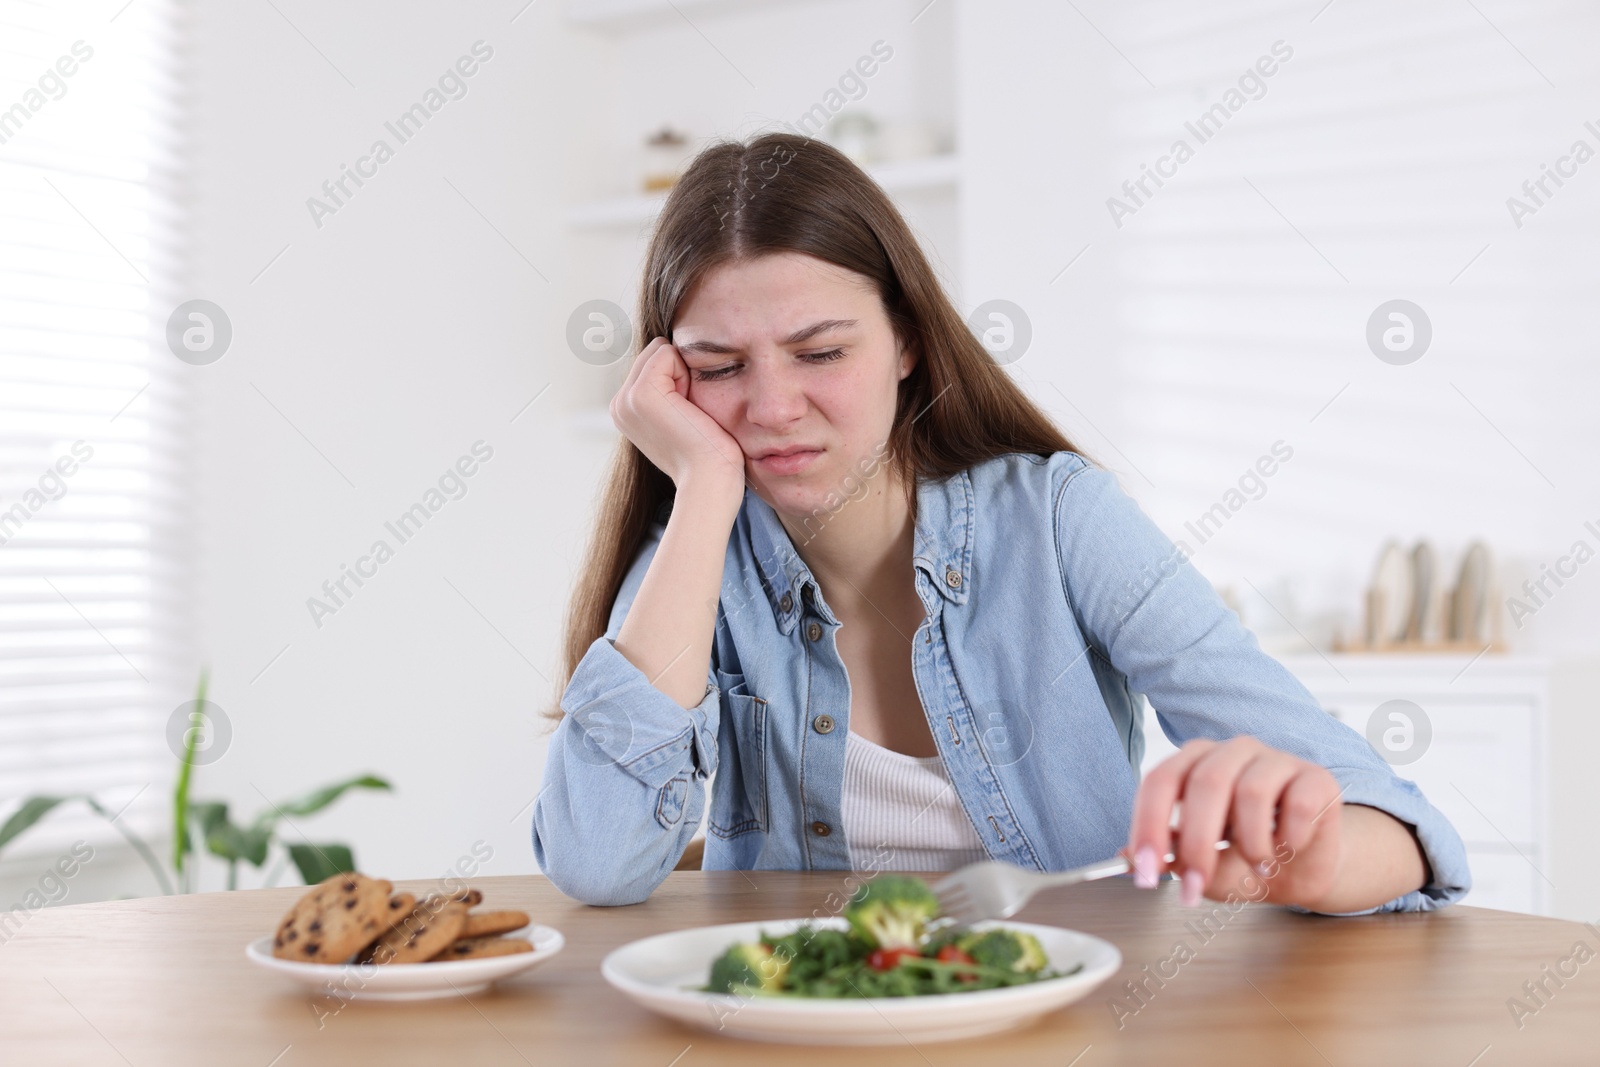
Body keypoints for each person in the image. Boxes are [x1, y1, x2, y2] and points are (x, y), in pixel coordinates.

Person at [533, 131, 1470, 915]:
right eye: (719, 365)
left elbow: (1393, 822)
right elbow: (595, 861)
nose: (773, 407)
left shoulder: (1059, 519)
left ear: (905, 338)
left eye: (819, 350)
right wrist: (700, 484)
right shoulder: (693, 570)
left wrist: (1311, 857)